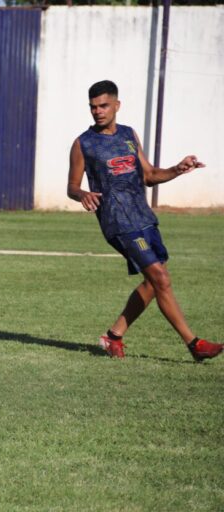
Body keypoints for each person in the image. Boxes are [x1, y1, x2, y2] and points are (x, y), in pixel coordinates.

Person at [67, 79, 221, 361]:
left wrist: (177, 169)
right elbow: (72, 186)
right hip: (117, 222)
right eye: (93, 107)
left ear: (117, 105)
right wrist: (82, 194)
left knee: (153, 282)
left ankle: (113, 336)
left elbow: (149, 175)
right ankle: (194, 344)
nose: (98, 111)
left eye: (103, 105)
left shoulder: (129, 135)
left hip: (144, 217)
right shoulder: (83, 144)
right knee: (160, 277)